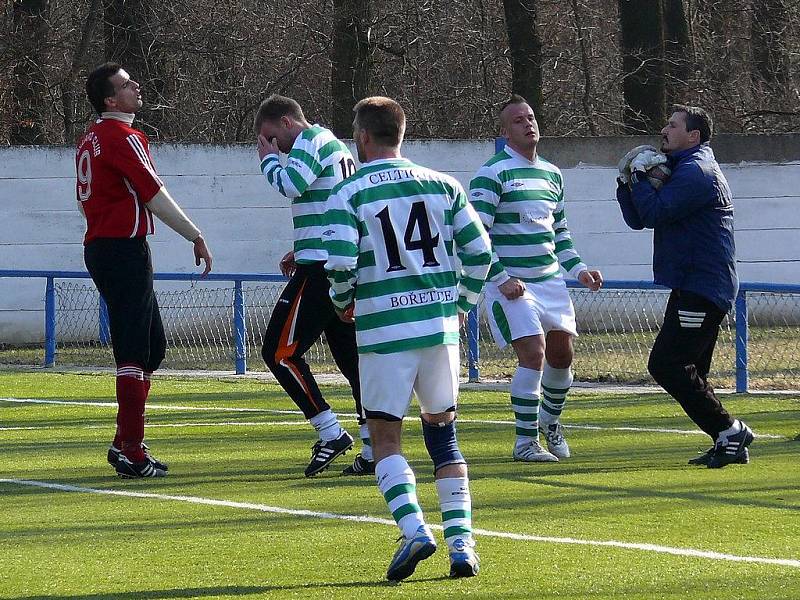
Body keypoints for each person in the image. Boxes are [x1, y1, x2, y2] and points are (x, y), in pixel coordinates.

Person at [324, 96, 492, 581]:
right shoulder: (444, 185)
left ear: (361, 138)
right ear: (401, 133)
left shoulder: (349, 193)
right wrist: (459, 305)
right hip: (438, 330)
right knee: (444, 436)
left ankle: (415, 528)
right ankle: (462, 544)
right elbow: (479, 255)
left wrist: (342, 303)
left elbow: (338, 264)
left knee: (384, 435)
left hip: (383, 332)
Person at [77, 62, 213, 478]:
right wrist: (194, 234)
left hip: (109, 247)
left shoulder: (94, 136)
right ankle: (131, 451)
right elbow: (152, 192)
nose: (135, 86)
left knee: (153, 346)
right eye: (124, 84)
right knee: (135, 349)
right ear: (109, 99)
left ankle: (124, 442)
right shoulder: (121, 136)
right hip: (122, 250)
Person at [616, 104, 753, 468]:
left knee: (666, 364)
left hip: (702, 285)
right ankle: (726, 440)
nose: (663, 130)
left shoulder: (698, 172)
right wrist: (626, 182)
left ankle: (730, 429)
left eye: (672, 125)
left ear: (693, 136)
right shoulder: (684, 167)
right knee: (693, 370)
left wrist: (641, 180)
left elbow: (656, 212)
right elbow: (639, 220)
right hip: (695, 284)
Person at [468, 95, 603, 463]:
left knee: (562, 357)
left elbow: (559, 234)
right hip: (512, 285)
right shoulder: (493, 173)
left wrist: (580, 271)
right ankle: (525, 442)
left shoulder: (552, 173)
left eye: (530, 117)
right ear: (504, 130)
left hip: (550, 282)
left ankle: (550, 423)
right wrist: (500, 277)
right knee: (534, 354)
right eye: (517, 120)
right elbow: (476, 235)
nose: (528, 124)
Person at [254, 95, 370, 477]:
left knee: (278, 351)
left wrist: (268, 161)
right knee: (351, 358)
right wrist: (301, 244)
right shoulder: (334, 145)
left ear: (287, 122)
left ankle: (330, 431)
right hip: (336, 257)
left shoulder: (311, 141)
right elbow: (326, 203)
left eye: (272, 138)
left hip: (322, 267)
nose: (273, 146)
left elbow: (292, 184)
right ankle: (373, 447)